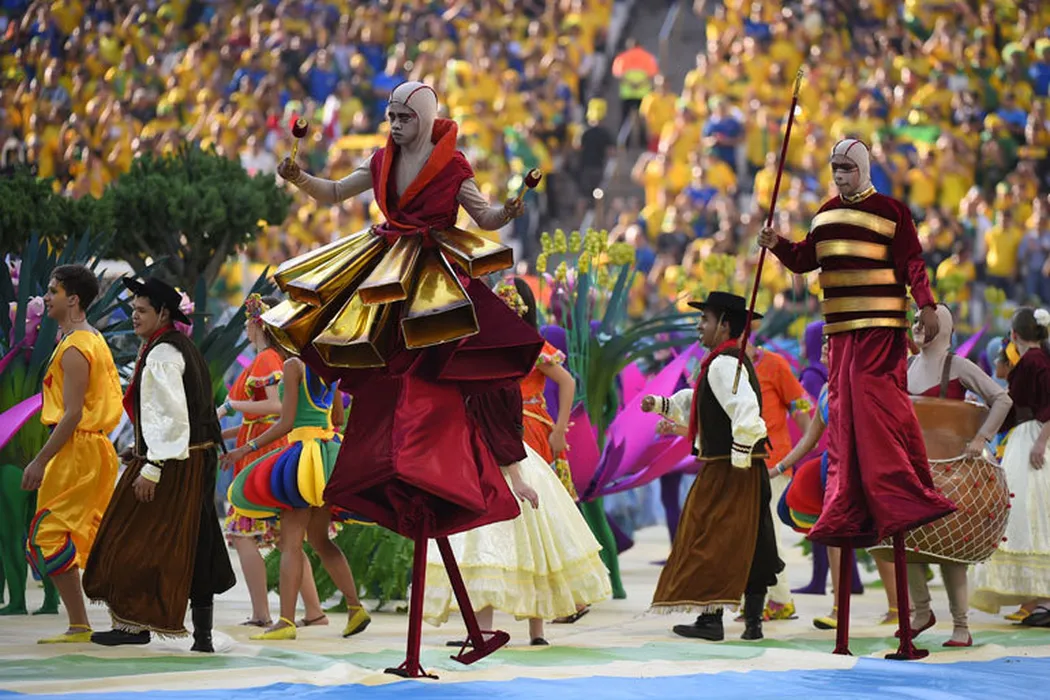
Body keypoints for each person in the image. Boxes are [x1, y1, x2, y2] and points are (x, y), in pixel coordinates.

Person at [273, 80, 544, 676]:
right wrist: (299, 178)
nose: (394, 124)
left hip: (431, 282)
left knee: (431, 365)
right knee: (355, 345)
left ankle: (432, 459)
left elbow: (485, 216)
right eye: (390, 116)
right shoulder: (379, 161)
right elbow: (332, 193)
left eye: (403, 116)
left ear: (424, 117)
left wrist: (509, 210)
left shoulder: (455, 167)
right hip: (384, 269)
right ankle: (404, 460)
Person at [758, 137, 955, 659]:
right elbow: (804, 260)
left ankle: (900, 487)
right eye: (834, 168)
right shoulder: (824, 215)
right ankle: (850, 498)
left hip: (880, 335)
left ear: (864, 167)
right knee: (844, 422)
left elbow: (913, 263)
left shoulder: (891, 211)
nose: (840, 175)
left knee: (874, 412)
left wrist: (926, 304)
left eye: (847, 167)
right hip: (841, 337)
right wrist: (776, 244)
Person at [420, 280, 611, 646]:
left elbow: (501, 426)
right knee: (530, 539)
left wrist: (553, 433)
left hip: (507, 452)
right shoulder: (502, 364)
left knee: (486, 542)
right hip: (515, 451)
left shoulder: (500, 365)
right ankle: (529, 631)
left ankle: (486, 630)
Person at [83, 277, 235, 651]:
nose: (134, 316)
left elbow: (172, 418)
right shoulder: (177, 346)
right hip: (192, 458)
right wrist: (139, 447)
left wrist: (151, 467)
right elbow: (171, 415)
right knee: (195, 541)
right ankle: (202, 637)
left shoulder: (163, 355)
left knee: (127, 537)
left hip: (175, 462)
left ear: (163, 313)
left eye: (142, 310)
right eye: (133, 309)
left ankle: (134, 625)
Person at [642, 291, 781, 642]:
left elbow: (746, 410)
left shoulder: (724, 364)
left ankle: (712, 620)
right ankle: (749, 622)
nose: (699, 326)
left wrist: (739, 455)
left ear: (724, 325)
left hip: (730, 467)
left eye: (705, 319)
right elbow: (705, 403)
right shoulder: (722, 362)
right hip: (741, 467)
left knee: (708, 537)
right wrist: (664, 404)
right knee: (750, 539)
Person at [224, 338, 368, 641]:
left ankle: (286, 622)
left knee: (291, 543)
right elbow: (338, 418)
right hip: (326, 455)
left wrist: (246, 448)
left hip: (303, 459)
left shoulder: (293, 365)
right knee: (319, 540)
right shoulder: (330, 365)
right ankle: (355, 608)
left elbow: (286, 422)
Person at [20, 265, 122, 643]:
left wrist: (40, 460)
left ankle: (84, 623)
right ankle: (106, 619)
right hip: (88, 449)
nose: (46, 298)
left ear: (73, 299)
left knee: (50, 532)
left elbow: (73, 413)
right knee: (89, 533)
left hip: (79, 450)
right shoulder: (88, 338)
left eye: (53, 291)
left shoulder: (77, 346)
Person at [905, 304, 1012, 647]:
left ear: (944, 327)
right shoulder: (907, 366)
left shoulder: (959, 366)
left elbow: (1002, 399)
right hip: (912, 470)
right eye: (915, 320)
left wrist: (981, 437)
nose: (917, 325)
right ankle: (921, 610)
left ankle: (961, 626)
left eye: (925, 321)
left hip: (953, 472)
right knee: (903, 541)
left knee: (952, 552)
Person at [216, 294, 326, 629]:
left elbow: (276, 408)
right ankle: (314, 612)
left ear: (259, 324)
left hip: (262, 451)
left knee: (242, 532)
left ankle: (261, 613)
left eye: (248, 322)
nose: (245, 329)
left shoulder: (266, 359)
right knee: (285, 537)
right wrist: (225, 428)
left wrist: (232, 407)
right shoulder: (274, 358)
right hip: (266, 445)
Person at [775, 335, 899, 631]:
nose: (824, 347)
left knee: (877, 537)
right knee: (834, 537)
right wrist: (780, 466)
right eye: (823, 342)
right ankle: (837, 609)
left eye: (830, 343)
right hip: (832, 469)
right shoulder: (825, 390)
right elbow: (810, 438)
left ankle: (897, 608)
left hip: (862, 469)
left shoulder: (862, 384)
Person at [970, 307, 1050, 628]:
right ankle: (1034, 599)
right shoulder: (1037, 360)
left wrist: (1041, 441)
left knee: (1027, 512)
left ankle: (1039, 599)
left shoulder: (1033, 361)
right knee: (1032, 513)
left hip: (1032, 439)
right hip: (1027, 436)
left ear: (1015, 335)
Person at [741, 332, 810, 621]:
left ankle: (779, 601)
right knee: (748, 535)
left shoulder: (774, 364)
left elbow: (799, 404)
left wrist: (809, 444)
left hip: (774, 463)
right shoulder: (727, 368)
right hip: (741, 463)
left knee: (768, 535)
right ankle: (760, 600)